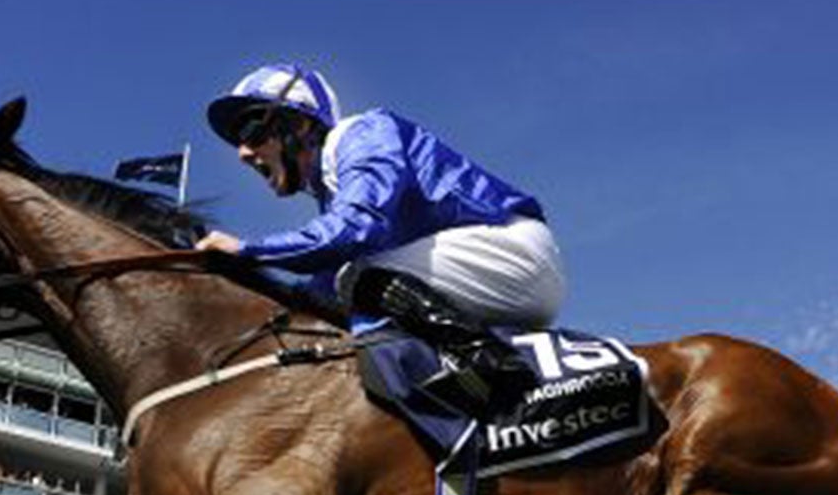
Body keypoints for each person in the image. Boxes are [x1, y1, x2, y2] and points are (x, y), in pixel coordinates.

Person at [196, 62, 564, 412]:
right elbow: (316, 293)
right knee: (337, 301)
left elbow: (357, 228)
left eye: (251, 131)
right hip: (483, 276)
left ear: (300, 124)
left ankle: (488, 364)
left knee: (353, 278)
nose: (243, 153)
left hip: (513, 254)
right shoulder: (331, 188)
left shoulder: (362, 133)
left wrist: (248, 251)